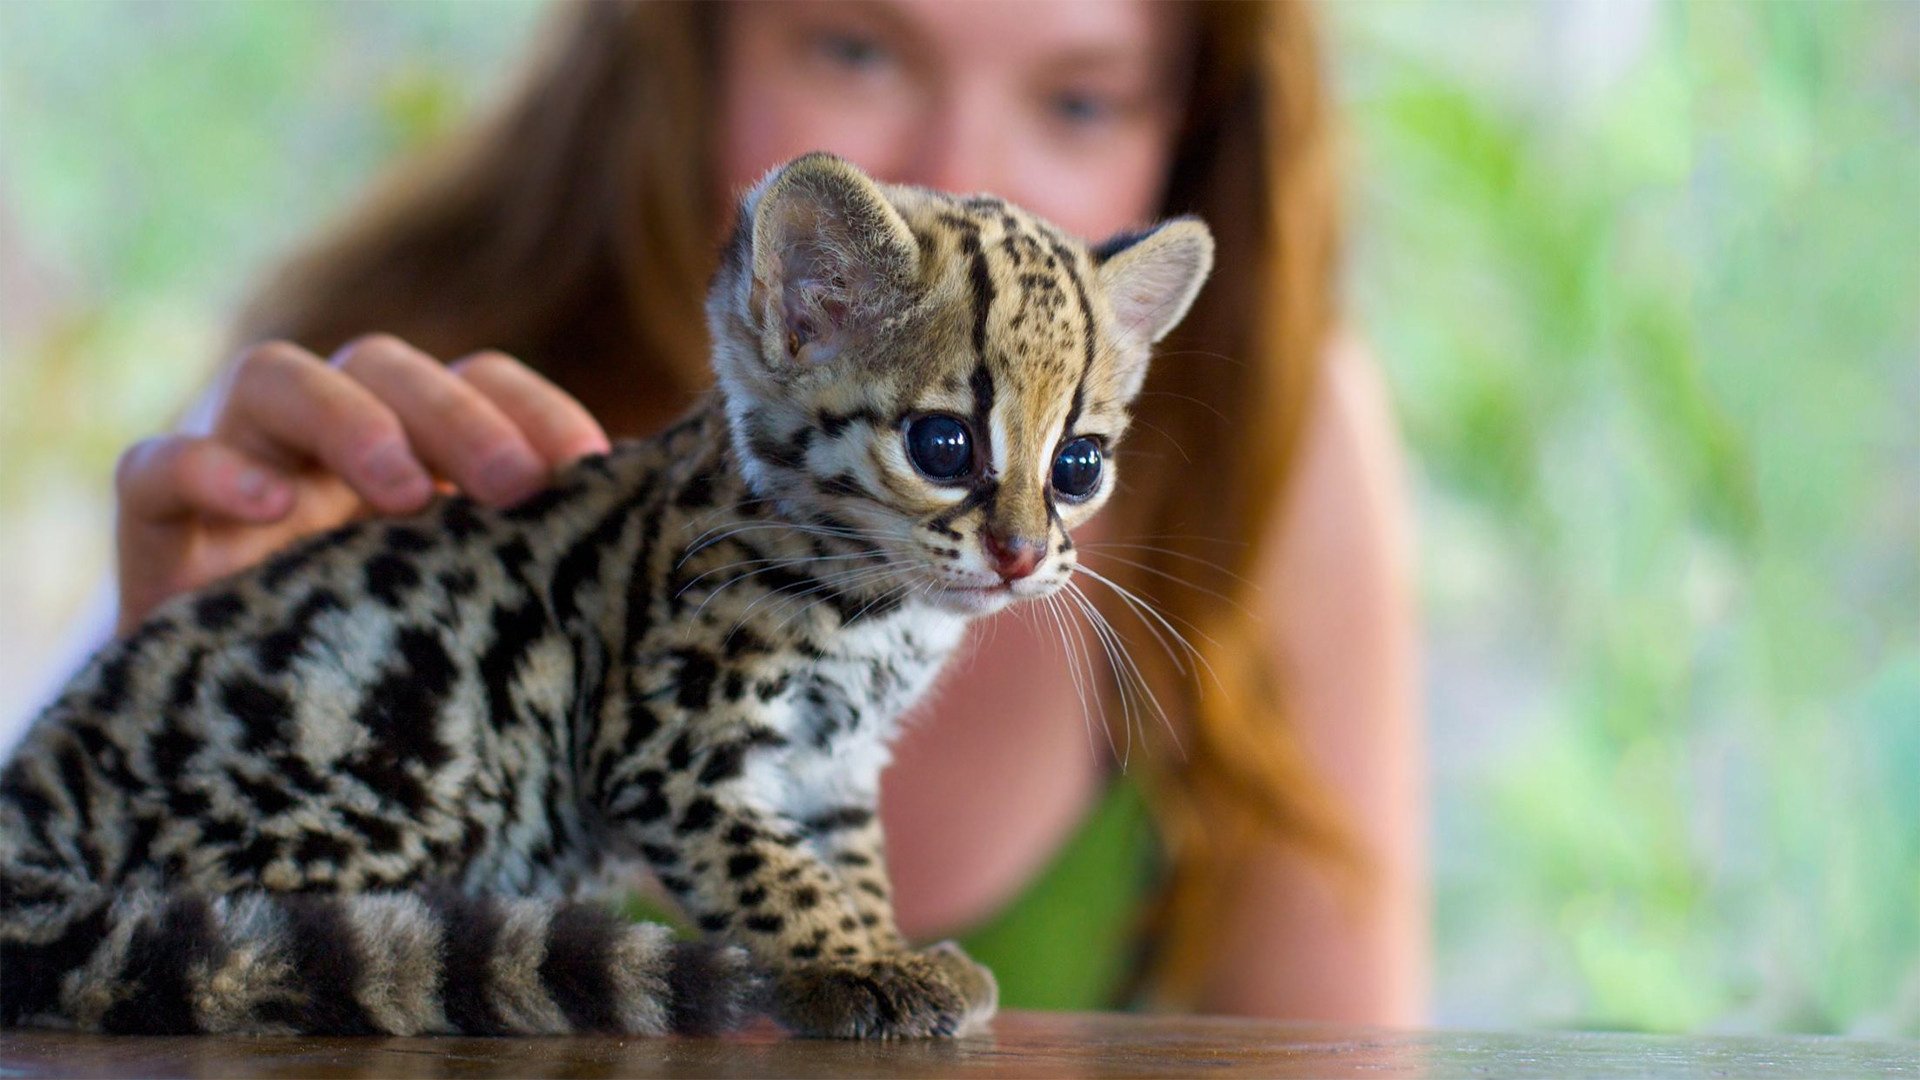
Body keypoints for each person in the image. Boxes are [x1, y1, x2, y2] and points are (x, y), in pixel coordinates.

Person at [107, 0, 1424, 1023]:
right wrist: (203, 723)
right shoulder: (376, 406)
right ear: (688, 35)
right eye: (855, 47)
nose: (957, 174)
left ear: (1186, 125)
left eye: (1078, 100)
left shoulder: (1263, 445)